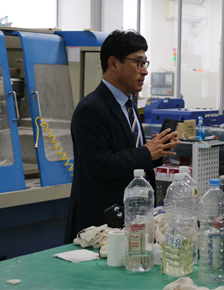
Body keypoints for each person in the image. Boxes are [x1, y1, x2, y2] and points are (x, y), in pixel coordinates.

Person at [64, 30, 181, 243]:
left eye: (145, 63)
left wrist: (158, 151)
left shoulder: (128, 105)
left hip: (130, 221)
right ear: (114, 63)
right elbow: (99, 166)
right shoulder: (90, 109)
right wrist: (146, 152)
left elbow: (127, 154)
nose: (144, 71)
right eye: (138, 62)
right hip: (99, 226)